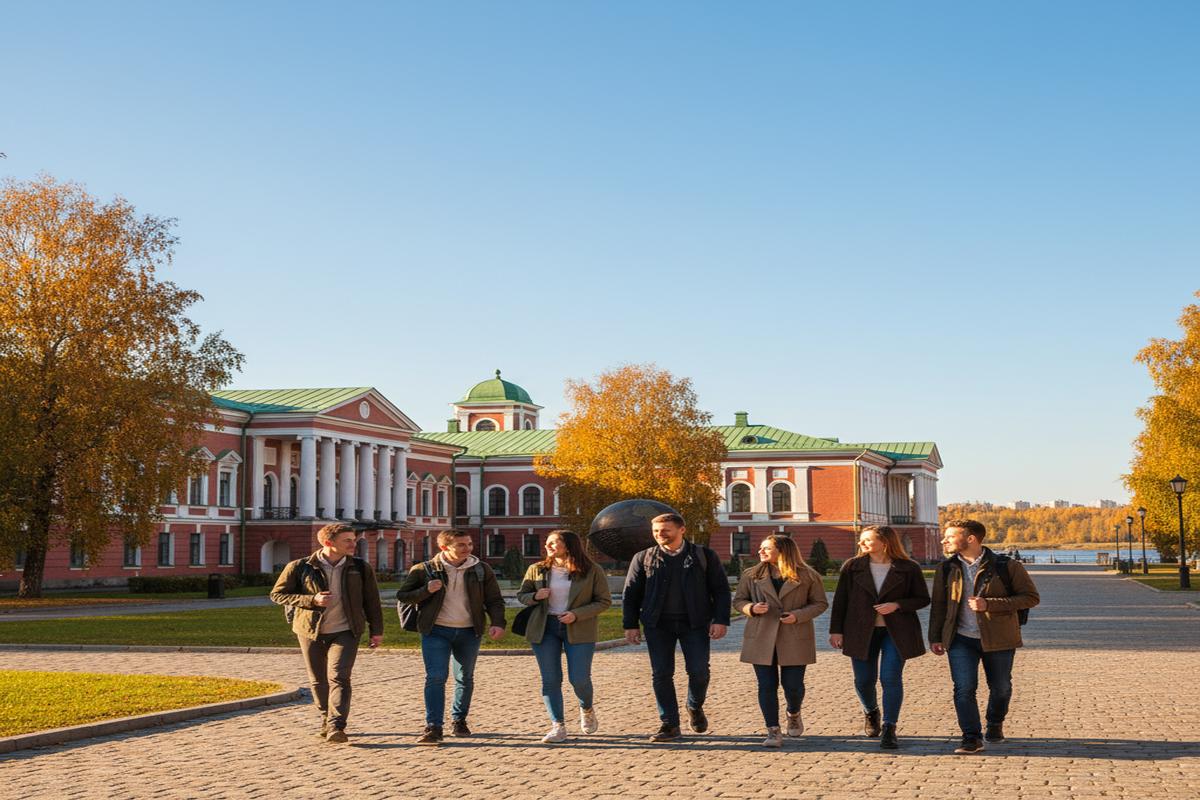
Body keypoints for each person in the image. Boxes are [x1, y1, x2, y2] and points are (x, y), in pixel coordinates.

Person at [930, 518, 1040, 755]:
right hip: (960, 639)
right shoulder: (946, 568)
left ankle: (995, 722)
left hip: (999, 638)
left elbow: (1030, 597)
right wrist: (935, 637)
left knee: (1000, 687)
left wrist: (989, 604)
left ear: (970, 539)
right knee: (964, 688)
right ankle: (971, 737)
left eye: (950, 536)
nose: (944, 540)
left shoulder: (1006, 566)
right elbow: (939, 605)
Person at [270, 522, 384, 743]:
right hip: (310, 630)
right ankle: (325, 716)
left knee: (340, 677)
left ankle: (337, 725)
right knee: (318, 679)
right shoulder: (300, 567)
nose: (353, 544)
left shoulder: (360, 567)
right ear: (328, 543)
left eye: (353, 539)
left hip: (347, 630)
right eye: (347, 541)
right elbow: (278, 594)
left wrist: (376, 631)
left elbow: (372, 601)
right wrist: (312, 600)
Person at [623, 512, 731, 743]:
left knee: (699, 671)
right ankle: (669, 724)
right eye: (655, 531)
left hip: (695, 622)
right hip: (657, 624)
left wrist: (721, 620)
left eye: (665, 530)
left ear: (682, 530)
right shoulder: (643, 557)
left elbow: (721, 590)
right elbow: (631, 593)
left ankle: (694, 706)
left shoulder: (704, 556)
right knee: (661, 674)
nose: (659, 535)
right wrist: (630, 624)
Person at [396, 529, 506, 745]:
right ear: (445, 547)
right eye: (461, 545)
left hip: (469, 631)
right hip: (436, 630)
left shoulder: (481, 569)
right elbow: (403, 596)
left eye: (470, 544)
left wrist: (498, 623)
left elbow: (494, 599)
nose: (468, 549)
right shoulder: (424, 570)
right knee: (435, 677)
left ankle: (459, 720)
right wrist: (426, 590)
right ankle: (434, 727)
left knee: (464, 677)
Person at [828, 525, 930, 749]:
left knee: (890, 678)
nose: (860, 544)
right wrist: (836, 630)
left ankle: (889, 727)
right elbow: (840, 600)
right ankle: (871, 710)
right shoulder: (852, 567)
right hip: (860, 630)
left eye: (867, 540)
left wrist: (897, 605)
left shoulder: (908, 567)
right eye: (861, 540)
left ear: (884, 542)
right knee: (864, 680)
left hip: (897, 631)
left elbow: (922, 598)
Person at [517, 529, 613, 743]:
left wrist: (576, 614)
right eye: (547, 543)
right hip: (544, 628)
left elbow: (604, 601)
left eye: (553, 543)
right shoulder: (537, 569)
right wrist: (534, 596)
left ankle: (586, 708)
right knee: (550, 679)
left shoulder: (591, 570)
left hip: (578, 628)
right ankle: (558, 726)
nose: (548, 546)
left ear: (568, 545)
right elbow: (522, 595)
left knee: (579, 678)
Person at [732, 534, 828, 747]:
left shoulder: (808, 575)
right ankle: (773, 730)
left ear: (783, 551)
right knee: (766, 685)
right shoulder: (751, 574)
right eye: (761, 547)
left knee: (792, 685)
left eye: (766, 548)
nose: (760, 551)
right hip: (761, 635)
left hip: (794, 635)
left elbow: (820, 603)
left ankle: (793, 712)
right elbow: (739, 600)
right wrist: (751, 608)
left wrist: (798, 616)